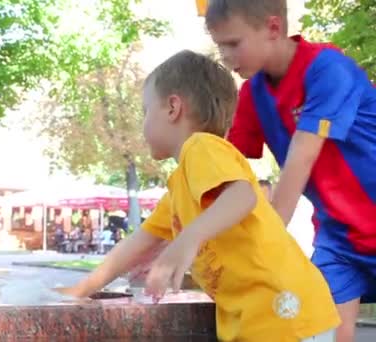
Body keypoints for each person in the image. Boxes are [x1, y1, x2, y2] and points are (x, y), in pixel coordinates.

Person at [58, 50, 339, 341]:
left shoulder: (201, 147)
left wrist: (187, 240)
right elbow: (138, 244)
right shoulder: (181, 187)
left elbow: (243, 196)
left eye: (145, 111)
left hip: (283, 311)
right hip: (264, 318)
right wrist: (79, 291)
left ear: (172, 107)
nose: (142, 125)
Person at [205, 1, 376, 340]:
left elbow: (301, 158)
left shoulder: (327, 69)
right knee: (326, 332)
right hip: (339, 242)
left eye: (233, 43)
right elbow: (224, 167)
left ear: (272, 28)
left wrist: (267, 247)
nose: (225, 56)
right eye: (219, 45)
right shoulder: (252, 96)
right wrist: (188, 231)